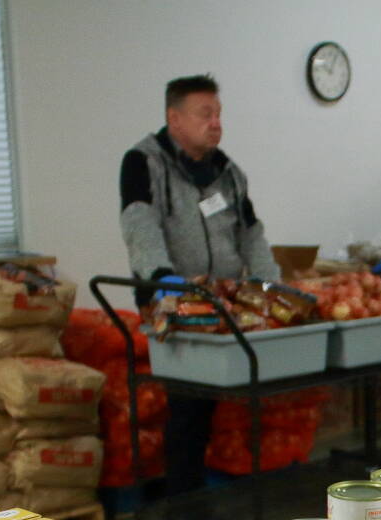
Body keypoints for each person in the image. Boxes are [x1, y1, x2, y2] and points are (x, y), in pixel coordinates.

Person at [119, 74, 279, 496]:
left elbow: (251, 234)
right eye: (205, 114)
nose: (216, 122)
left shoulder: (228, 172)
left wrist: (270, 285)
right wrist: (161, 277)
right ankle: (183, 502)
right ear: (174, 118)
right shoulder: (143, 163)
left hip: (225, 301)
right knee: (188, 406)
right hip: (174, 301)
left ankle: (213, 493)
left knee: (220, 404)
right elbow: (139, 224)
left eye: (219, 113)